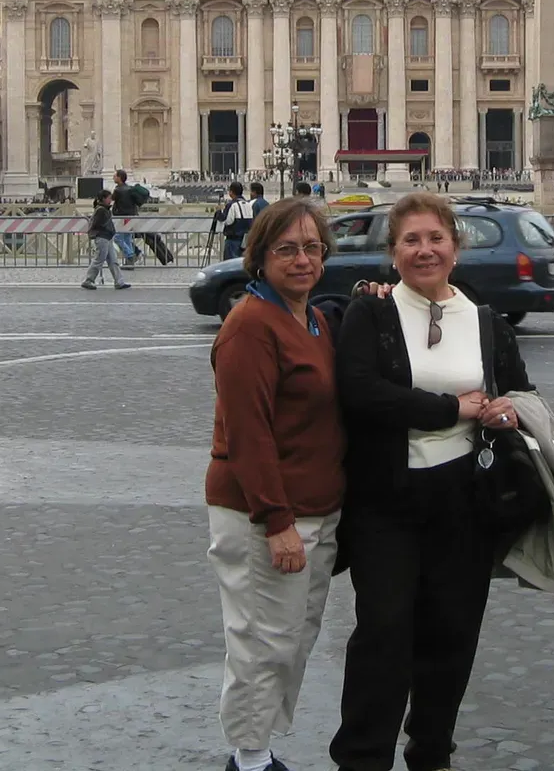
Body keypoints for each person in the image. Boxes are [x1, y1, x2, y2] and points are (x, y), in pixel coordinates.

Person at [330, 192, 532, 771]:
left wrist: (506, 411)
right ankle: (363, 757)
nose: (425, 250)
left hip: (465, 501)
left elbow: (521, 392)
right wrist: (455, 410)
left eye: (435, 239)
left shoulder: (486, 321)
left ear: (455, 246)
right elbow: (361, 392)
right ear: (392, 252)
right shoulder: (371, 311)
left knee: (452, 632)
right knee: (383, 633)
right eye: (411, 241)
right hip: (386, 501)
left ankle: (431, 751)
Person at [205, 198, 343, 771]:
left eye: (312, 248)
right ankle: (250, 758)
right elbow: (248, 435)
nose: (302, 259)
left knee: (291, 638)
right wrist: (276, 521)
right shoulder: (250, 327)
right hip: (267, 514)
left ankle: (258, 749)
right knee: (263, 641)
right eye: (286, 249)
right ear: (259, 257)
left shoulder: (309, 318)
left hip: (311, 509)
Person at [80, 190, 131, 290]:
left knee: (113, 260)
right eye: (109, 198)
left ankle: (119, 281)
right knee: (99, 259)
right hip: (103, 237)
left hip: (107, 237)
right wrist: (108, 230)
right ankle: (89, 280)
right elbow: (97, 224)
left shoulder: (104, 209)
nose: (110, 200)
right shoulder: (101, 210)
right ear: (104, 199)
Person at [110, 169, 144, 265]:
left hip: (122, 217)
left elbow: (112, 200)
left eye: (115, 176)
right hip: (131, 216)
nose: (113, 177)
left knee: (117, 238)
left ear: (119, 178)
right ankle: (130, 261)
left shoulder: (118, 190)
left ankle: (130, 256)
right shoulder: (129, 189)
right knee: (127, 239)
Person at [222, 181, 254, 260]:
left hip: (233, 239)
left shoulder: (232, 204)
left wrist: (220, 214)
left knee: (230, 264)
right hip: (245, 240)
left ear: (231, 192)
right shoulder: (248, 204)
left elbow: (228, 221)